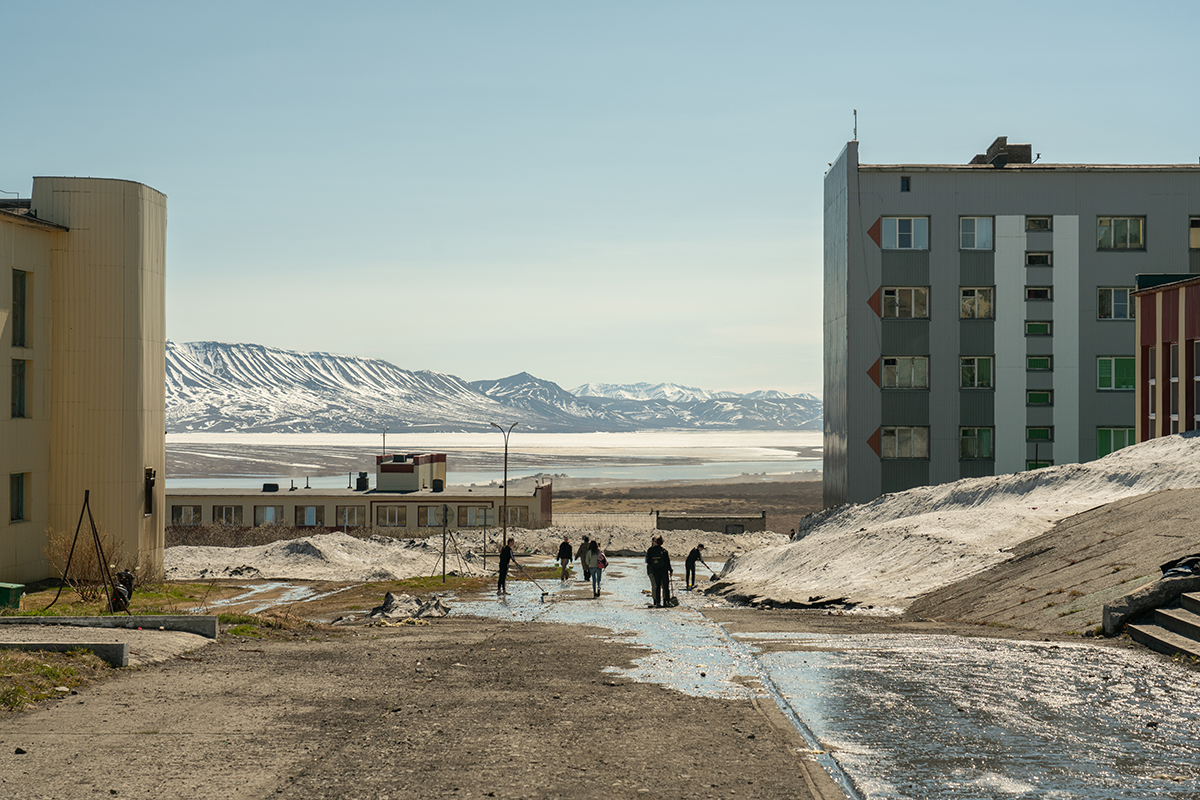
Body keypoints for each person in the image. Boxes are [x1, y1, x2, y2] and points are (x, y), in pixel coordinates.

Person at [645, 536, 672, 607]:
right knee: (665, 586)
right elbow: (668, 562)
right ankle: (666, 602)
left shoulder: (651, 550)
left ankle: (657, 602)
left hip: (655, 571)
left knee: (657, 587)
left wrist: (654, 566)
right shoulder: (664, 551)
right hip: (664, 571)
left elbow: (648, 561)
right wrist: (670, 570)